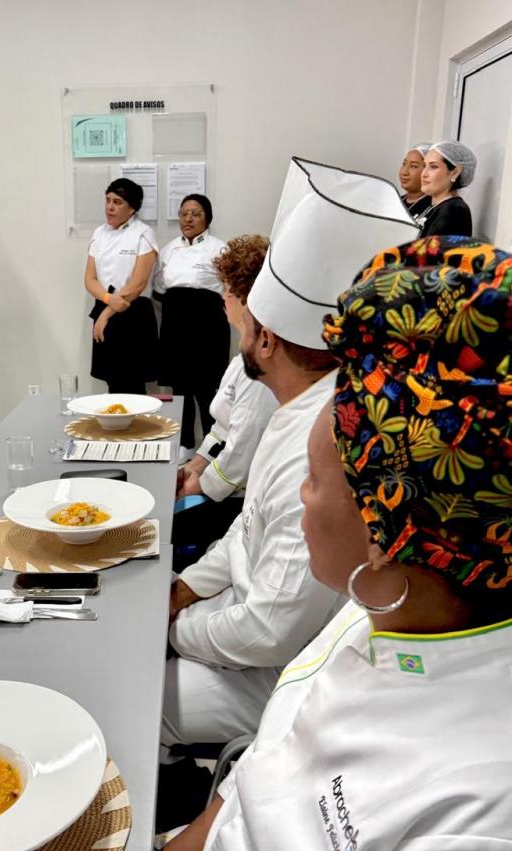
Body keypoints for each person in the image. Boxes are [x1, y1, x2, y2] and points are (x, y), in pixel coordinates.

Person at [151, 236, 512, 851]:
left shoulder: (481, 819)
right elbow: (259, 779)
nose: (301, 499)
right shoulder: (376, 612)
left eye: (315, 483)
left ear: (389, 535)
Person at [163, 158, 419, 746]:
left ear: (266, 338)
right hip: (238, 626)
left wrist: (174, 630)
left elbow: (268, 633)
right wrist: (183, 592)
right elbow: (247, 529)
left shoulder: (325, 438)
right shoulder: (295, 408)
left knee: (130, 698)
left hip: (278, 674)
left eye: (246, 320)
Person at [171, 234, 277, 569]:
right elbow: (221, 429)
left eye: (228, 290)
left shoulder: (260, 367)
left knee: (157, 533)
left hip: (239, 500)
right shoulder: (243, 354)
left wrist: (198, 487)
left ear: (247, 299)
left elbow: (242, 448)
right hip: (224, 485)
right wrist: (192, 467)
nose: (222, 297)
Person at [154, 194, 229, 459]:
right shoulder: (168, 250)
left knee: (207, 388)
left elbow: (230, 289)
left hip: (208, 323)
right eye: (184, 213)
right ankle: (185, 443)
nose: (188, 219)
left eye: (196, 213)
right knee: (180, 388)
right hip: (175, 323)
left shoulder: (219, 249)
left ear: (207, 218)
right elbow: (159, 289)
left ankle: (212, 448)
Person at [84, 178, 159, 394]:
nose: (110, 207)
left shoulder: (143, 233)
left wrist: (106, 314)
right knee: (112, 383)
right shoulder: (99, 233)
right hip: (106, 306)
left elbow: (137, 284)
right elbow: (89, 279)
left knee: (133, 385)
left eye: (117, 202)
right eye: (108, 200)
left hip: (133, 313)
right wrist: (108, 301)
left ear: (132, 208)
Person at [416, 139, 476, 236]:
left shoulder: (454, 210)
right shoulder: (436, 206)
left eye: (433, 167)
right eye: (425, 166)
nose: (424, 174)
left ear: (455, 172)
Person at [397, 143, 431, 217]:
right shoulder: (395, 201)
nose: (404, 172)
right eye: (404, 164)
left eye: (413, 166)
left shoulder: (433, 207)